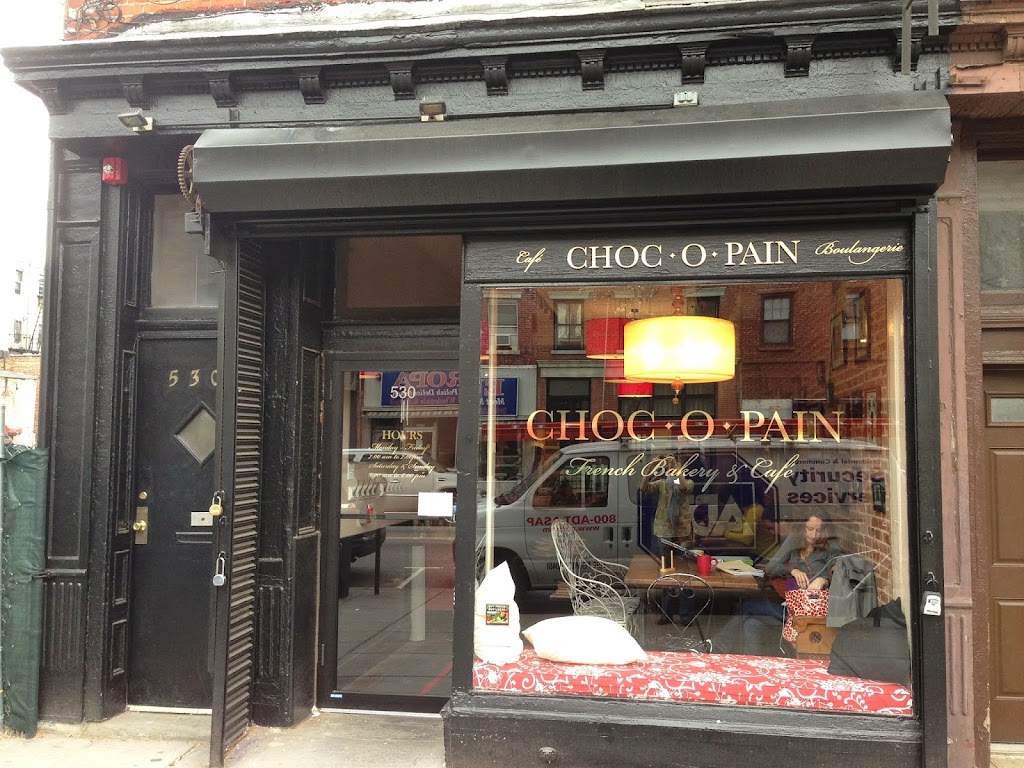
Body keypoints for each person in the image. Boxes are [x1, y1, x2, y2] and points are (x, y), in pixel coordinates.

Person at [711, 514, 840, 654]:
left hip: (810, 612)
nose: (814, 535)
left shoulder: (830, 547)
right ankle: (749, 662)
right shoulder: (795, 541)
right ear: (802, 528)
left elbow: (838, 571)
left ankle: (716, 646)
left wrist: (824, 579)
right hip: (789, 606)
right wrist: (792, 570)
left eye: (818, 530)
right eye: (809, 529)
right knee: (751, 624)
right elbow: (771, 567)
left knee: (746, 606)